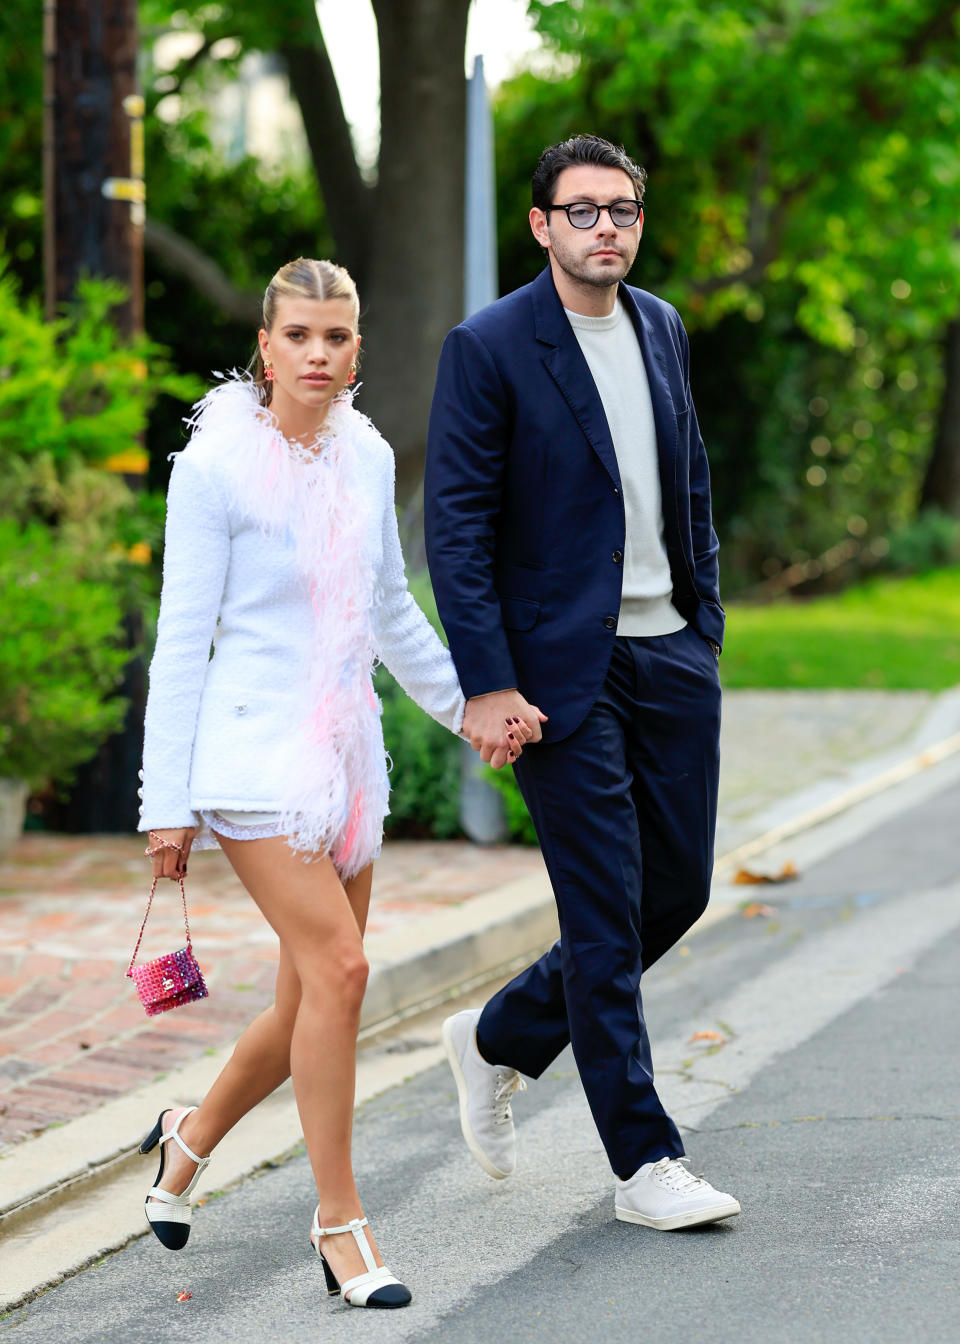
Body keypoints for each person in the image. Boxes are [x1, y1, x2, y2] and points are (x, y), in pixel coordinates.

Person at [136, 257, 533, 1309]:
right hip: (247, 757)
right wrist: (163, 805)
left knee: (312, 993)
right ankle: (341, 1220)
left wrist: (469, 706)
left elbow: (390, 613)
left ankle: (187, 1139)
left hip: (346, 757)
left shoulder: (365, 457)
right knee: (345, 970)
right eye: (300, 336)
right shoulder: (212, 469)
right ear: (264, 347)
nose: (320, 355)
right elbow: (181, 643)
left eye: (338, 337)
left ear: (360, 348)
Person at [426, 135, 741, 1231]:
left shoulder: (660, 326)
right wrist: (488, 684)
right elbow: (457, 532)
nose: (607, 227)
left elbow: (687, 474)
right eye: (584, 211)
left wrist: (705, 623)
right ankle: (646, 1162)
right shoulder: (492, 346)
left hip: (670, 653)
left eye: (624, 209)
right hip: (561, 676)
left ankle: (500, 1034)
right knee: (605, 917)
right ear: (542, 226)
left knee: (676, 892)